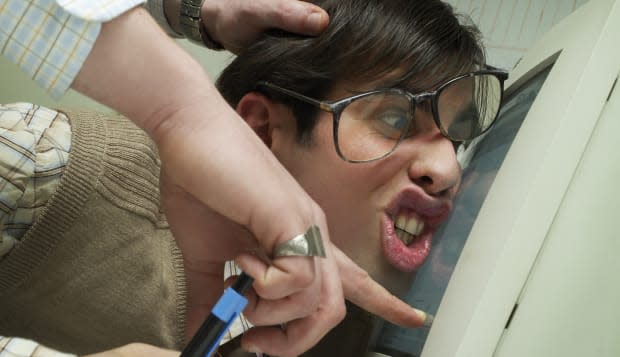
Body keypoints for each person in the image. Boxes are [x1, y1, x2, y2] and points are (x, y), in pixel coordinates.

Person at [0, 1, 444, 356]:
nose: (448, 170)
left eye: (457, 140)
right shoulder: (46, 155)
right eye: (394, 117)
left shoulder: (355, 325)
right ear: (262, 127)